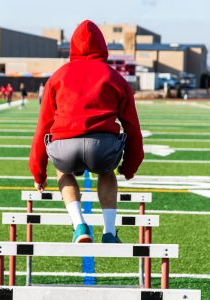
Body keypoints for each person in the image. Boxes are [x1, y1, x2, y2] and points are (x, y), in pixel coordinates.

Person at [29, 20, 144, 244]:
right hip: (103, 147)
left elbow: (43, 125)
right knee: (107, 172)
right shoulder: (115, 78)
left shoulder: (58, 76)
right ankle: (109, 232)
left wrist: (38, 172)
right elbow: (132, 126)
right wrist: (130, 166)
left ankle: (79, 225)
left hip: (64, 146)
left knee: (63, 172)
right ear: (103, 46)